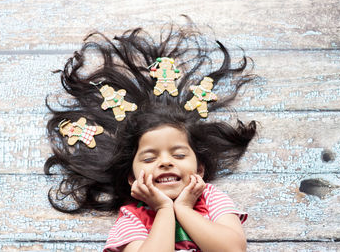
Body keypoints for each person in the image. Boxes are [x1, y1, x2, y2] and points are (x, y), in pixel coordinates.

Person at [45, 18, 257, 252]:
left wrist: (184, 210)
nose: (165, 162)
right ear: (132, 179)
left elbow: (233, 249)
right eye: (149, 158)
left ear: (199, 170)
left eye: (178, 154)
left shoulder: (210, 198)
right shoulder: (133, 216)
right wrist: (164, 210)